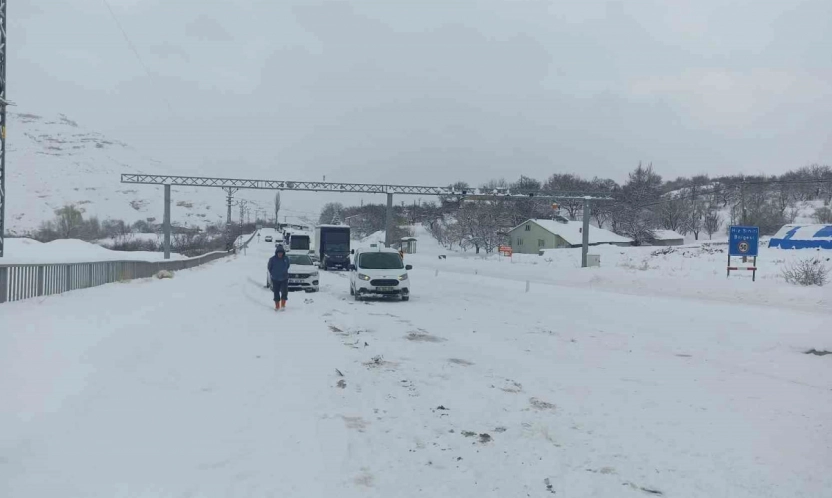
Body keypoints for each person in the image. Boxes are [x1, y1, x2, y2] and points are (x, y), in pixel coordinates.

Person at [268, 245, 291, 311]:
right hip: (275, 279)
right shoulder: (272, 259)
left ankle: (283, 305)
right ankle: (277, 306)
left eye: (281, 252)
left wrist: (284, 272)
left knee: (284, 292)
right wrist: (273, 274)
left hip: (284, 278)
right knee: (276, 292)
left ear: (283, 253)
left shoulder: (286, 259)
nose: (280, 254)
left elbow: (288, 266)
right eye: (279, 252)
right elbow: (269, 267)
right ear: (276, 253)